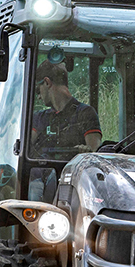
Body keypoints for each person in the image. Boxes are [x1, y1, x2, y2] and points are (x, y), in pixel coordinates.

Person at [29, 60, 101, 201]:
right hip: (39, 177)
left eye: (38, 90)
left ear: (47, 82)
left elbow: (94, 154)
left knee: (43, 186)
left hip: (69, 181)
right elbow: (24, 146)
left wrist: (85, 152)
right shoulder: (39, 118)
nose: (38, 96)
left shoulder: (85, 113)